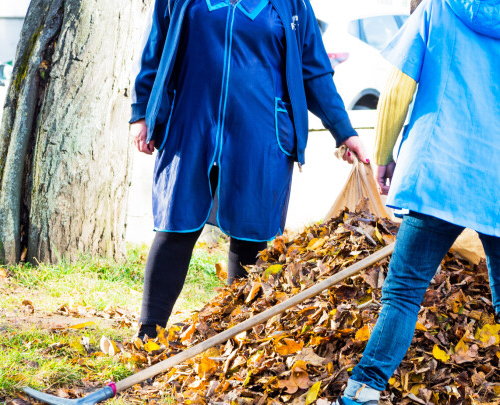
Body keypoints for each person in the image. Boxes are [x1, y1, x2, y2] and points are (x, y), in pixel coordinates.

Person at [312, 0, 500, 405]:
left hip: (438, 176)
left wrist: (384, 157)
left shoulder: (438, 12)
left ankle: (357, 402)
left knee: (404, 292)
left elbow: (397, 91)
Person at [129, 0, 368, 340]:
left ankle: (234, 335)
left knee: (252, 236)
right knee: (175, 224)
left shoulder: (292, 4)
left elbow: (313, 71)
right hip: (191, 125)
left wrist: (345, 131)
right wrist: (143, 112)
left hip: (262, 134)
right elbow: (156, 47)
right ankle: (149, 333)